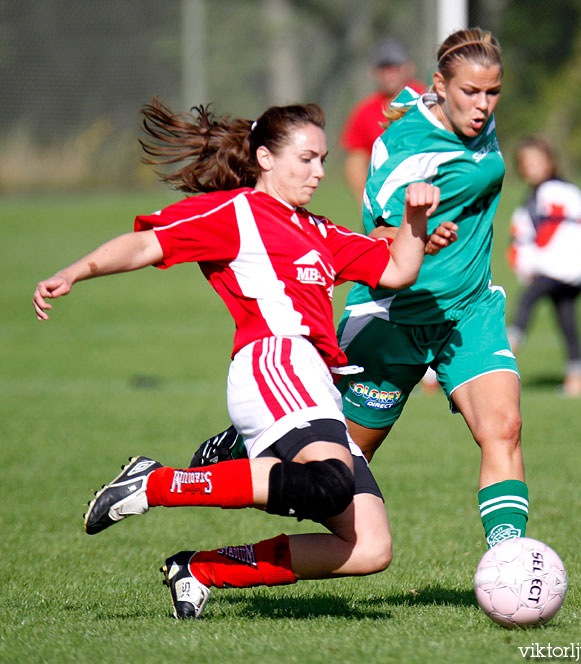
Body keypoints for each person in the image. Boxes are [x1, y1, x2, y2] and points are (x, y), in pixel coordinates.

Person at [33, 99, 442, 619]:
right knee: (331, 485)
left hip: (315, 383)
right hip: (275, 363)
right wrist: (77, 270)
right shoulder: (236, 212)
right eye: (306, 158)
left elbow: (399, 270)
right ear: (266, 158)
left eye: (322, 159)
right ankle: (156, 483)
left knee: (369, 548)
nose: (319, 172)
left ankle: (200, 569)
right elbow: (147, 245)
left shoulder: (318, 231)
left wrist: (415, 219)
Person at [335, 27, 530, 550]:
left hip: (468, 310)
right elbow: (374, 236)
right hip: (394, 315)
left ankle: (507, 557)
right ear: (442, 86)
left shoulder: (471, 117)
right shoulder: (403, 148)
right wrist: (413, 235)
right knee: (331, 471)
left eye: (493, 93)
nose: (484, 106)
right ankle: (193, 474)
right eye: (471, 92)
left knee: (504, 428)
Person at [506, 136, 581, 397]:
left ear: (549, 162)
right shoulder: (546, 191)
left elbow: (550, 231)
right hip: (572, 269)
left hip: (560, 267)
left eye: (536, 161)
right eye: (526, 163)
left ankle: (507, 352)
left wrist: (531, 262)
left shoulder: (553, 191)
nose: (531, 167)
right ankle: (577, 378)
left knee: (528, 299)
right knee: (566, 317)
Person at [340, 39, 426, 206]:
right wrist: (366, 201)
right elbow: (355, 162)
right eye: (384, 69)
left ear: (408, 67)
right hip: (385, 202)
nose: (389, 74)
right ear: (374, 72)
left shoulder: (427, 99)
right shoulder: (366, 111)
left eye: (395, 67)